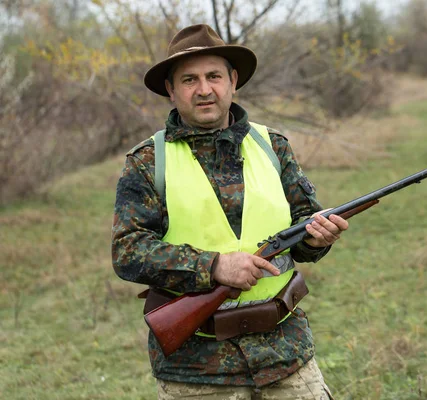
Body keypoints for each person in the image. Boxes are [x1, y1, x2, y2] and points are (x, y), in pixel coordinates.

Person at [111, 24, 349, 399]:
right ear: (171, 90)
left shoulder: (273, 145)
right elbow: (128, 252)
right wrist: (214, 266)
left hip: (286, 356)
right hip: (197, 372)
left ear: (232, 81)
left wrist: (320, 237)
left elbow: (305, 234)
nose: (204, 89)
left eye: (214, 76)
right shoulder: (147, 162)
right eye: (189, 79)